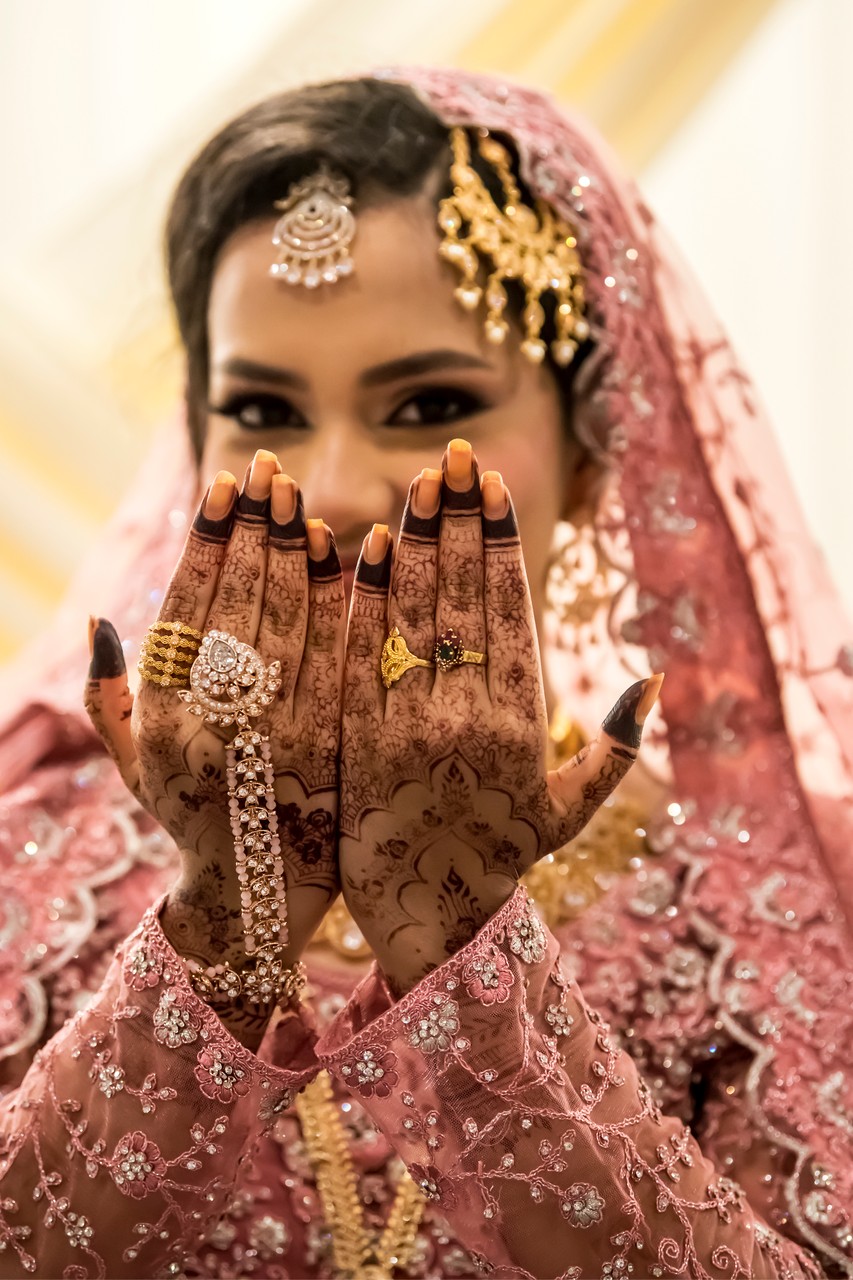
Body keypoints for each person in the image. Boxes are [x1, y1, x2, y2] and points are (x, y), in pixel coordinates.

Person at [1, 65, 851, 1279]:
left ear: (596, 455)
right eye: (262, 409)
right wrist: (219, 934)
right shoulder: (33, 849)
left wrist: (467, 962)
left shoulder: (755, 904)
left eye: (430, 402)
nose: (336, 482)